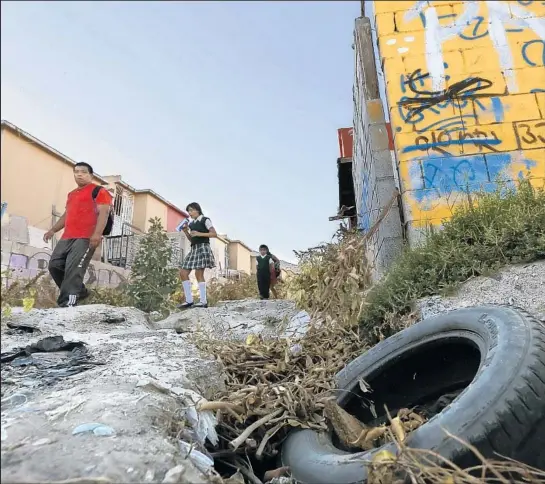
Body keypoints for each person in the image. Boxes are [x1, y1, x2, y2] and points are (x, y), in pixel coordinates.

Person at [44, 162, 112, 307]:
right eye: (76, 172)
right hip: (67, 236)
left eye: (83, 172)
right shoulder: (72, 194)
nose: (79, 174)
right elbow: (66, 215)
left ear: (91, 175)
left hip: (86, 237)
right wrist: (53, 230)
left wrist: (97, 234)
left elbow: (104, 213)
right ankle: (79, 290)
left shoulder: (99, 191)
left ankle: (68, 302)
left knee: (73, 269)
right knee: (54, 265)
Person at [178, 202, 217, 309]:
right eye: (188, 211)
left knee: (198, 274)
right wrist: (186, 232)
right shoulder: (191, 224)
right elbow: (192, 239)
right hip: (194, 248)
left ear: (197, 210)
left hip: (203, 247)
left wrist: (199, 233)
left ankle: (203, 301)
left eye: (191, 210)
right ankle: (189, 300)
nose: (189, 213)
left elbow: (214, 234)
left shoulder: (205, 220)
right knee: (183, 272)